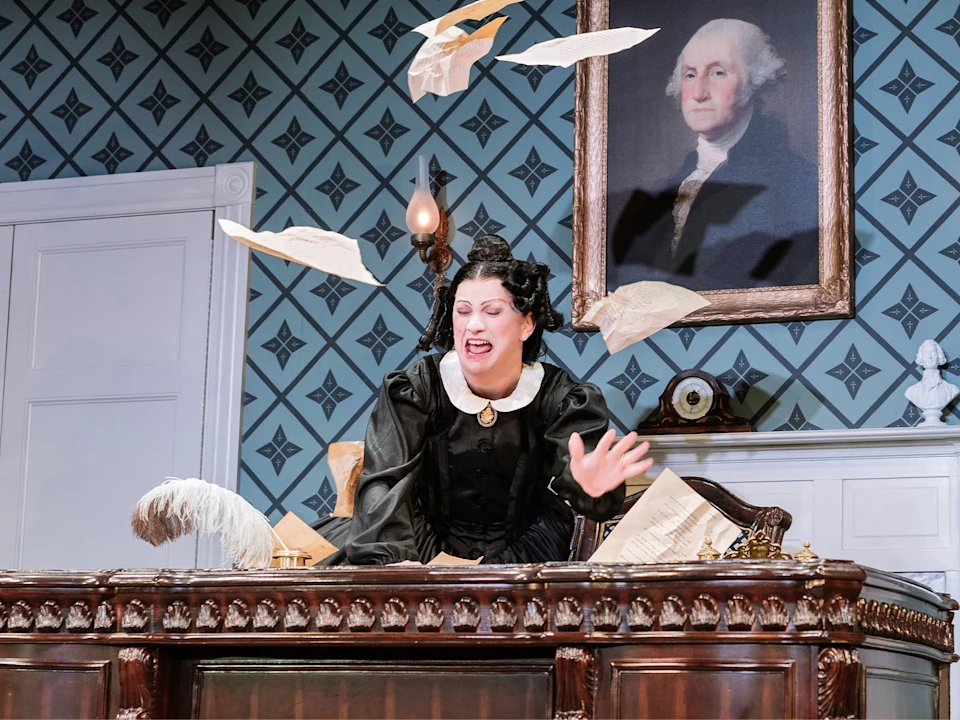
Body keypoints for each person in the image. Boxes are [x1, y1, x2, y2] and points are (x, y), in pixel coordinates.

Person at [315, 235, 652, 565]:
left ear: (527, 324)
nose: (473, 325)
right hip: (419, 545)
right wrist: (394, 568)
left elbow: (587, 482)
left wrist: (589, 486)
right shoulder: (417, 388)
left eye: (492, 311)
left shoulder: (561, 397)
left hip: (528, 550)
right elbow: (384, 482)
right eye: (463, 311)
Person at [610, 18, 819, 291]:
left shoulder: (798, 184)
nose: (698, 93)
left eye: (718, 73)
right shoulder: (660, 195)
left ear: (755, 80)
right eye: (690, 75)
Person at [905, 339, 959, 426]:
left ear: (939, 357)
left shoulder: (952, 390)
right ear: (921, 358)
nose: (930, 357)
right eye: (926, 354)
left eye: (933, 353)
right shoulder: (911, 392)